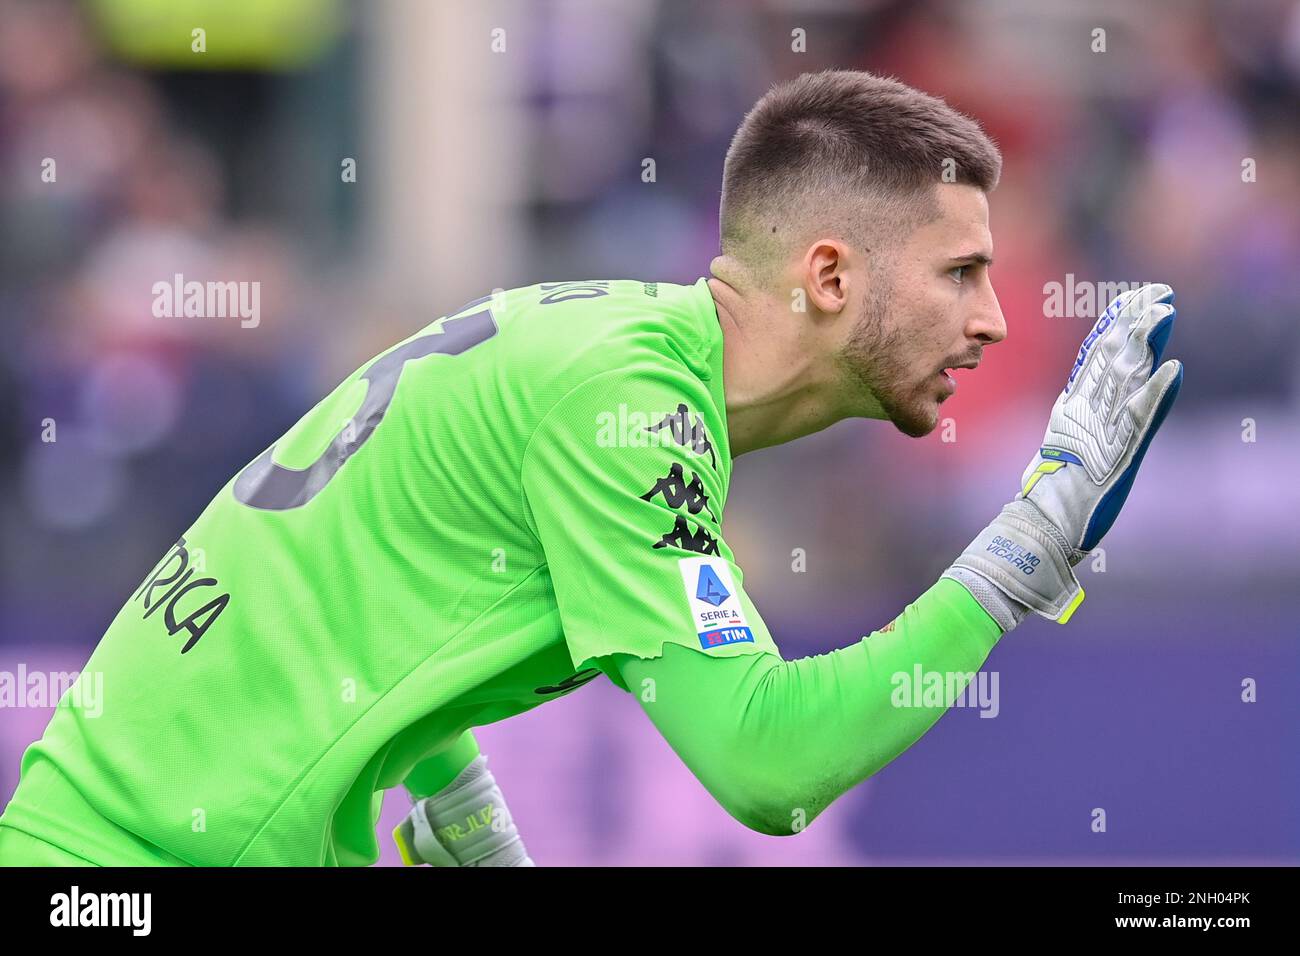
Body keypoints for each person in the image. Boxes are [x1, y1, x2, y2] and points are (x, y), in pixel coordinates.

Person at [0, 70, 1181, 866]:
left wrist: (455, 800)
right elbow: (771, 765)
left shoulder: (606, 341)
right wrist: (1022, 555)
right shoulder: (628, 409)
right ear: (828, 276)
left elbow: (374, 569)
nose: (992, 321)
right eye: (960, 273)